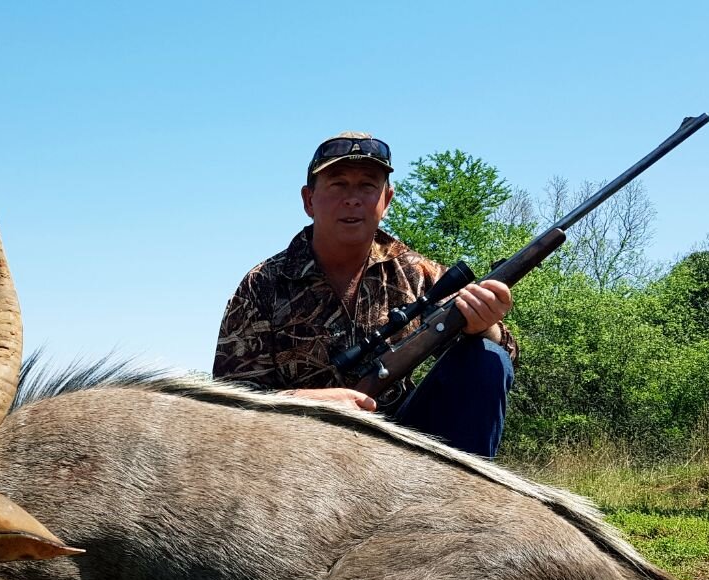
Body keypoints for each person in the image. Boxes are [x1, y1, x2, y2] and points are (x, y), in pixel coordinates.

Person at [212, 132, 517, 458]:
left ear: (386, 199)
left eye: (367, 185)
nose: (353, 198)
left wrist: (485, 325)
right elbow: (226, 403)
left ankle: (462, 505)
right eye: (338, 184)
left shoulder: (418, 273)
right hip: (297, 455)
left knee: (488, 357)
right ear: (308, 200)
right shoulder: (262, 284)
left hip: (402, 451)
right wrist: (305, 403)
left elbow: (509, 354)